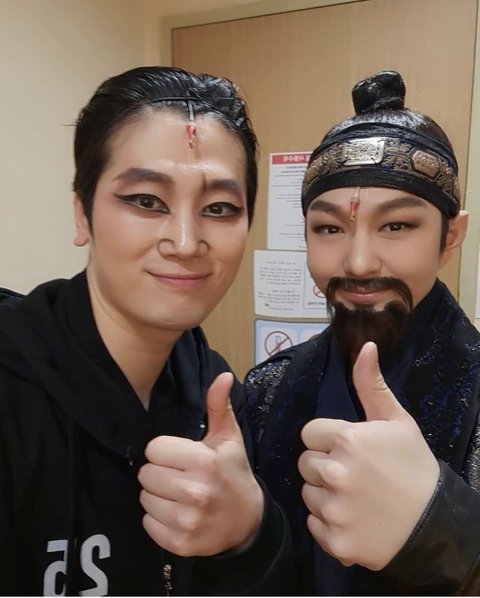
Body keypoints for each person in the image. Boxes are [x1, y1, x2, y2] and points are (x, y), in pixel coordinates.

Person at [0, 66, 294, 596]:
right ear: (82, 214)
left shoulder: (219, 398)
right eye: (145, 201)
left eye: (220, 208)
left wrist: (251, 534)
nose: (185, 242)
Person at [245, 70, 480, 595]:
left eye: (396, 226)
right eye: (329, 228)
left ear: (451, 236)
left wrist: (445, 535)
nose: (357, 262)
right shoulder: (267, 389)